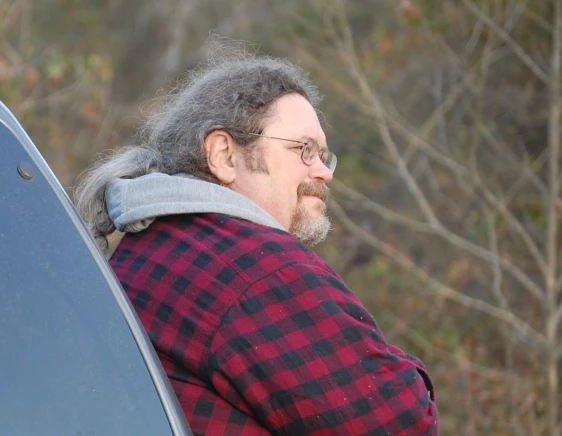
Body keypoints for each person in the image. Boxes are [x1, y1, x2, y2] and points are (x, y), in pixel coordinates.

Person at [74, 50, 438, 435]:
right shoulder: (258, 268)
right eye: (303, 150)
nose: (322, 172)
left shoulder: (137, 252)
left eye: (324, 156)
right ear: (224, 155)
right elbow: (401, 423)